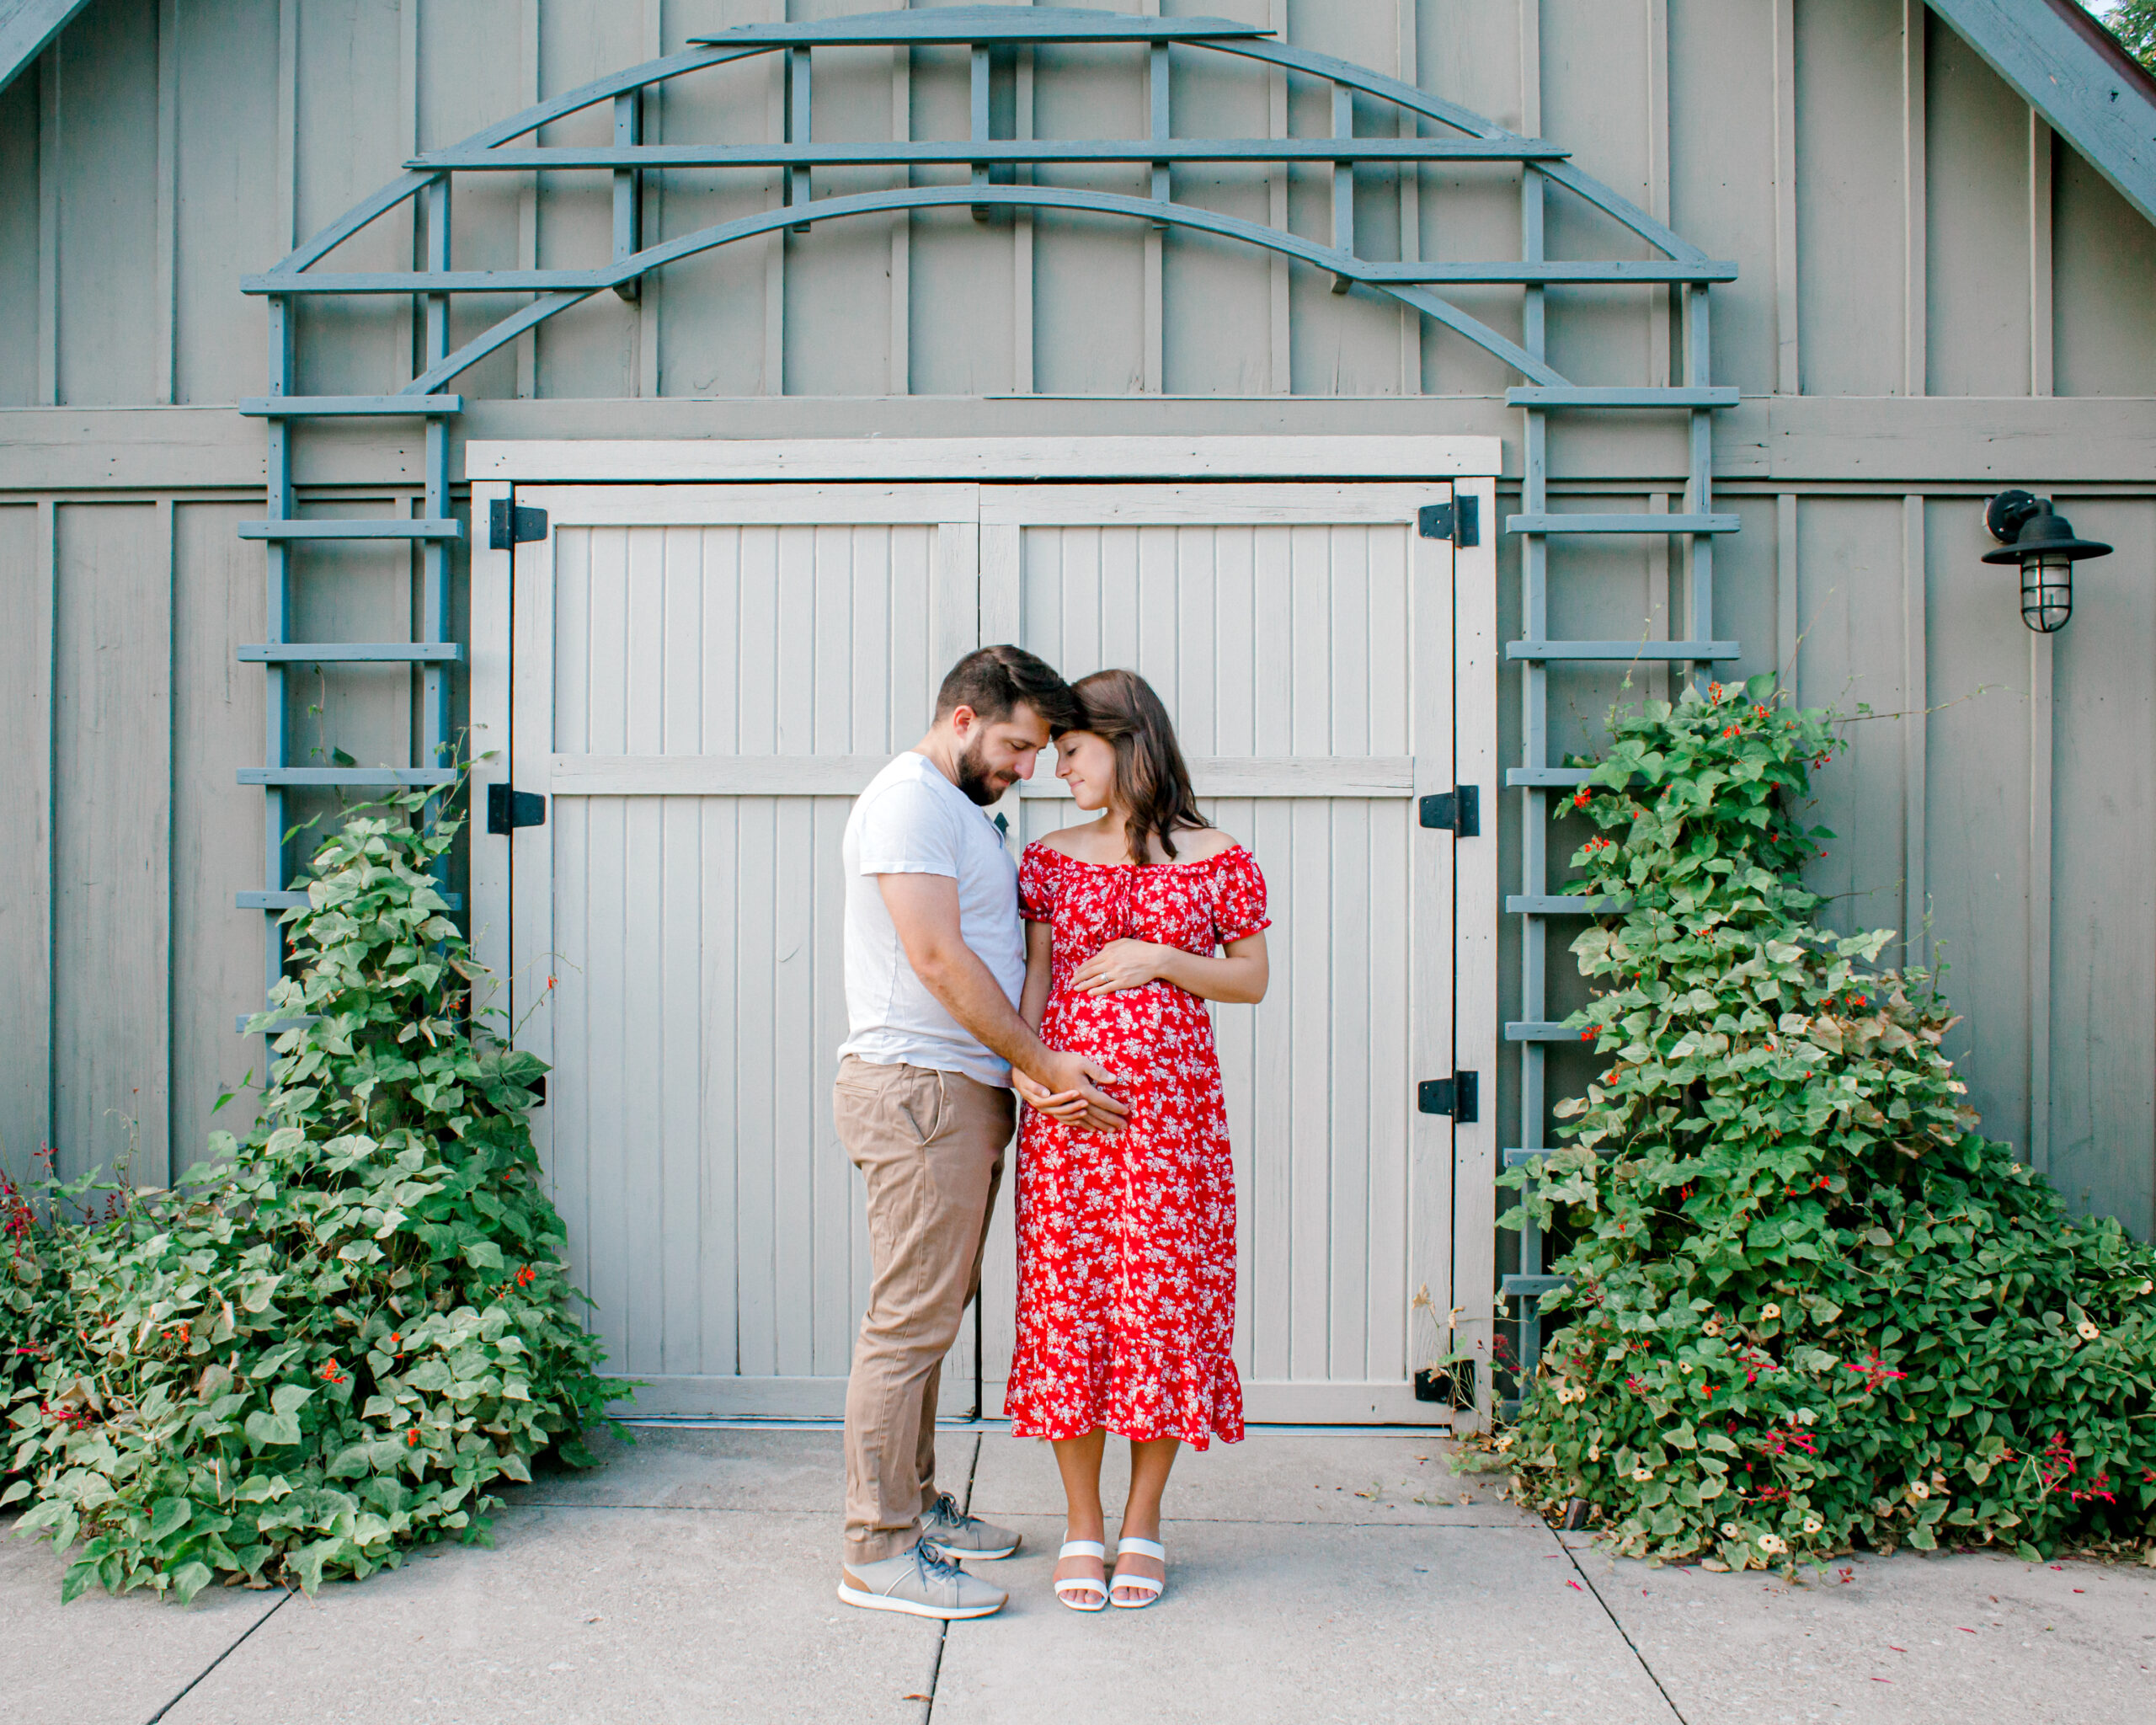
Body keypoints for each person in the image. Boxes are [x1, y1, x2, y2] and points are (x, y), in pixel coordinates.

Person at [833, 645, 1128, 1621]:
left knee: (932, 1311)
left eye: (1041, 749)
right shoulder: (910, 799)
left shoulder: (956, 807)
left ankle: (913, 1509)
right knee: (908, 1319)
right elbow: (934, 954)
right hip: (918, 1089)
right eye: (1014, 743)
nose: (1027, 766)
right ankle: (876, 1550)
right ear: (963, 716)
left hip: (954, 1091)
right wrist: (1046, 1065)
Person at [1005, 668, 1272, 1611]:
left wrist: (1163, 958)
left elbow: (1250, 981)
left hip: (1174, 1131)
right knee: (1069, 1308)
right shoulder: (1047, 858)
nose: (1057, 769)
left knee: (1163, 1314)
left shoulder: (1218, 858)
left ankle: (1143, 1519)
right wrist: (1026, 1071)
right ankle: (1082, 1522)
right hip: (1070, 1131)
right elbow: (1034, 981)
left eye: (1070, 751)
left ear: (1124, 741)